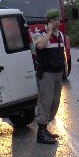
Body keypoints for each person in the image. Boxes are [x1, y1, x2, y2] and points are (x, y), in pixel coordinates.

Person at [33, 9, 65, 144]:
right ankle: (40, 133)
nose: (58, 22)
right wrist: (49, 32)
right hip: (46, 74)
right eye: (55, 20)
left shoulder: (61, 35)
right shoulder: (39, 34)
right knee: (44, 102)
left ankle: (45, 128)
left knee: (55, 102)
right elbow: (39, 45)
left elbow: (61, 53)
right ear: (49, 21)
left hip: (58, 74)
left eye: (59, 19)